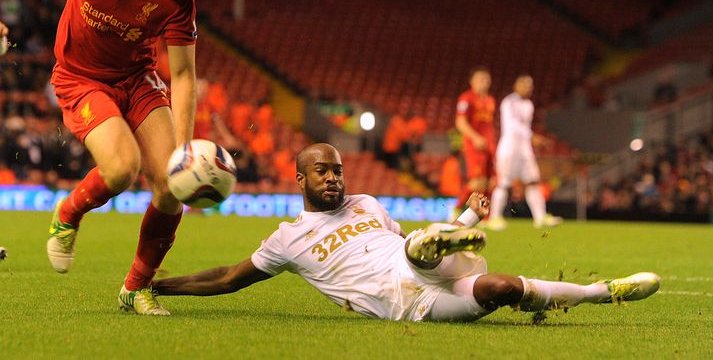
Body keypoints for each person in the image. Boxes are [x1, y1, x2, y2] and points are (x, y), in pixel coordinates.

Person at [153, 143, 660, 322]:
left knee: (414, 249)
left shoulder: (368, 203)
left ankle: (602, 291)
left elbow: (398, 244)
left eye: (338, 169)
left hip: (415, 261)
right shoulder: (289, 238)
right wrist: (156, 283)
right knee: (503, 289)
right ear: (301, 179)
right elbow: (227, 277)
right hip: (409, 303)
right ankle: (449, 237)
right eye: (322, 171)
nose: (334, 177)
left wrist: (465, 218)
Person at [45, 0, 199, 315]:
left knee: (171, 187)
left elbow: (183, 76)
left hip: (137, 79)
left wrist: (184, 150)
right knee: (120, 170)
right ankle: (68, 212)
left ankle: (136, 287)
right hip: (81, 78)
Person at [486, 75, 561, 230]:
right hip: (509, 150)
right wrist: (532, 136)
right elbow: (513, 125)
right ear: (516, 86)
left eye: (530, 85)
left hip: (524, 151)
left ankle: (540, 218)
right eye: (524, 84)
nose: (527, 88)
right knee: (503, 183)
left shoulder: (529, 104)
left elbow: (524, 127)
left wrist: (530, 139)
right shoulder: (509, 102)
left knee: (533, 181)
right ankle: (494, 218)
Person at [455, 67, 496, 211]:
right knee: (477, 182)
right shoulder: (466, 98)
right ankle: (456, 208)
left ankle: (486, 216)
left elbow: (489, 125)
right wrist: (475, 137)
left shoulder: (490, 100)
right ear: (471, 81)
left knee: (490, 182)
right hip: (474, 145)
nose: (483, 83)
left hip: (488, 145)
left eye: (485, 79)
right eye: (479, 79)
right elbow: (460, 122)